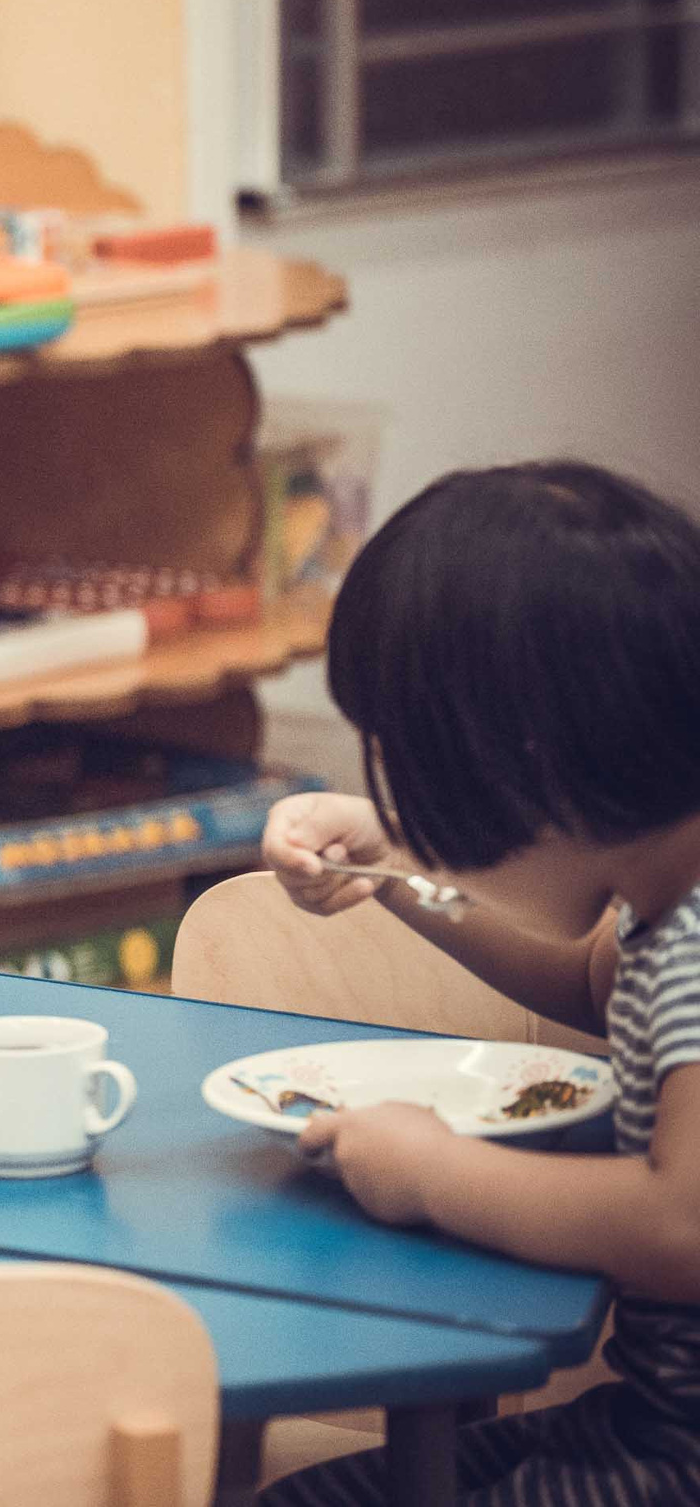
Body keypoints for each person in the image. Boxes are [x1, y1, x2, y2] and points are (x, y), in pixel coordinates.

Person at [257, 461, 700, 1506]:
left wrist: (433, 1171)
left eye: (419, 775)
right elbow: (587, 983)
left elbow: (684, 1225)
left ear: (525, 765)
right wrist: (398, 875)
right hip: (643, 1419)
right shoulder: (658, 903)